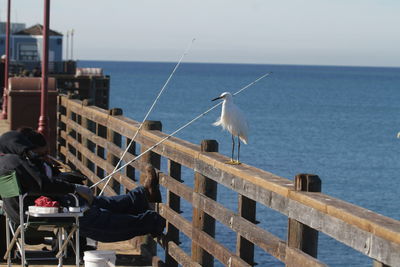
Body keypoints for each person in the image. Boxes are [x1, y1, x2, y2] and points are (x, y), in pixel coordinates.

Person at [0, 130, 165, 243]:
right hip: (38, 213)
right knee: (100, 221)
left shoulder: (5, 161)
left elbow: (35, 183)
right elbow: (42, 184)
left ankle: (142, 196)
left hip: (24, 212)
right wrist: (73, 188)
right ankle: (151, 222)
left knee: (97, 203)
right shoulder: (14, 161)